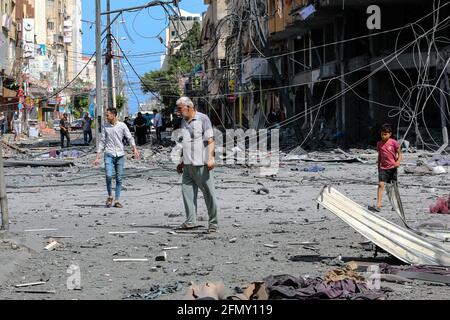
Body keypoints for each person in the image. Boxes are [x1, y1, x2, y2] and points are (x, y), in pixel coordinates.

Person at [175, 97, 218, 233]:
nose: (178, 112)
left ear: (189, 107)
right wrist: (181, 161)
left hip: (201, 163)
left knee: (208, 194)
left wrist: (211, 158)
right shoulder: (183, 121)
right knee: (187, 193)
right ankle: (190, 221)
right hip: (187, 164)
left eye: (180, 108)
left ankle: (213, 223)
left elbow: (210, 140)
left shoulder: (203, 119)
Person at [93, 107, 140, 208]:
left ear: (114, 115)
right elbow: (102, 141)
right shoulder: (105, 126)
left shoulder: (122, 125)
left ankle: (117, 200)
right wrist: (97, 156)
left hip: (120, 155)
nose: (106, 117)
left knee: (119, 178)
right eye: (106, 115)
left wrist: (134, 149)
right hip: (109, 154)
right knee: (108, 176)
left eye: (108, 115)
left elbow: (129, 137)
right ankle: (110, 196)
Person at [369, 123, 403, 212]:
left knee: (392, 186)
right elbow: (380, 155)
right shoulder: (379, 144)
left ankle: (394, 204)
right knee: (381, 185)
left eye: (385, 134)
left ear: (390, 134)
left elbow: (400, 154)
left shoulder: (394, 143)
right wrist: (378, 166)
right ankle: (378, 205)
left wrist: (398, 162)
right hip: (383, 168)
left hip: (392, 168)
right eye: (382, 134)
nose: (383, 136)